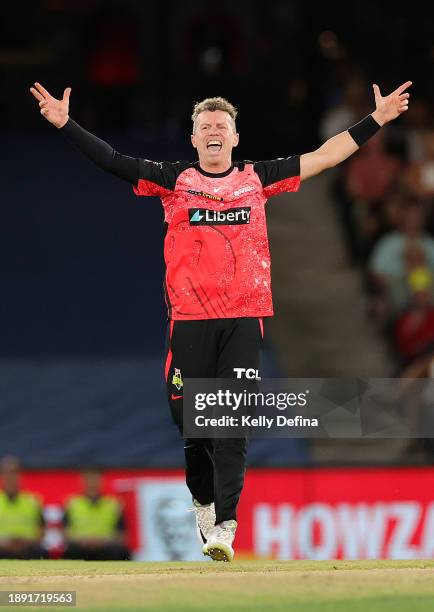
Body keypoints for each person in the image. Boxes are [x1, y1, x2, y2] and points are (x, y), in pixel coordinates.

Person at [30, 78, 411, 561]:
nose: (213, 131)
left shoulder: (259, 177)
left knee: (230, 420)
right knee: (189, 423)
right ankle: (203, 501)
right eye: (204, 125)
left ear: (234, 137)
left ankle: (225, 526)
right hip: (189, 320)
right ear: (194, 139)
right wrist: (67, 125)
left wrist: (375, 119)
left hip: (244, 318)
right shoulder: (174, 181)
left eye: (221, 125)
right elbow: (113, 161)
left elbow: (325, 156)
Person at [62, 467, 130, 561]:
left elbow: (122, 534)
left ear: (102, 481)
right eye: (89, 478)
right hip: (80, 546)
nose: (92, 482)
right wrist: (82, 541)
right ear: (82, 481)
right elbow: (65, 532)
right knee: (70, 552)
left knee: (121, 551)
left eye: (95, 478)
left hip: (106, 547)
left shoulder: (113, 504)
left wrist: (103, 541)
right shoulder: (73, 503)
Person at [0, 456, 48, 559]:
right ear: (2, 476)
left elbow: (42, 530)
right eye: (7, 473)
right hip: (1, 548)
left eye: (14, 473)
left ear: (20, 476)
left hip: (28, 548)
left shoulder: (32, 501)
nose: (10, 477)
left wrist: (25, 543)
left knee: (42, 551)